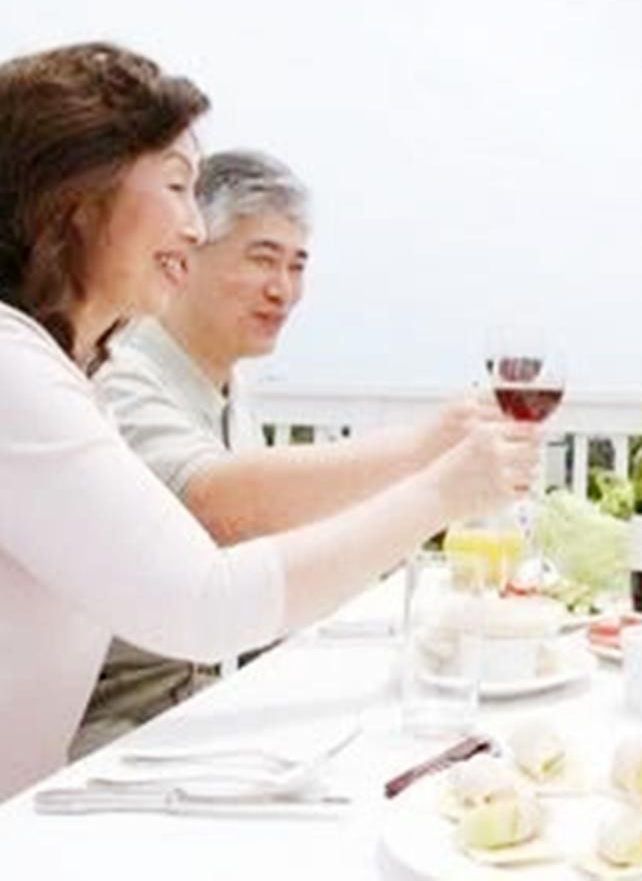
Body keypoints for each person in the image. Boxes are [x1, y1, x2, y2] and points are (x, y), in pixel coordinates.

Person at [0, 41, 538, 801]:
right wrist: (440, 489)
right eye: (178, 187)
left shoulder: (62, 369)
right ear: (78, 197)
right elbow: (203, 601)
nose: (192, 229)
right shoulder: (15, 371)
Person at [72, 149, 503, 755]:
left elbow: (282, 528)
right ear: (186, 255)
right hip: (119, 728)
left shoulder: (232, 393)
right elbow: (216, 510)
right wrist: (424, 454)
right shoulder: (121, 373)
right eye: (262, 259)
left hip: (210, 700)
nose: (283, 290)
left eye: (297, 266)